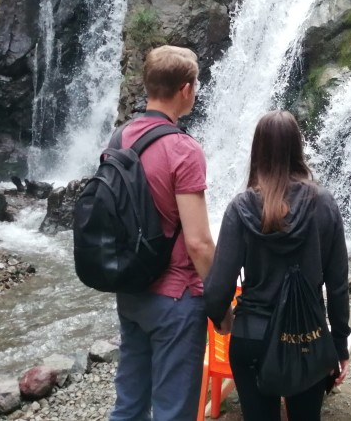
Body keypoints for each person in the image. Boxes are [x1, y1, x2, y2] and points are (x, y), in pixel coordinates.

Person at [204, 110, 351, 421]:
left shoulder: (240, 208)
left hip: (252, 336)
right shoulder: (324, 203)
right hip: (307, 337)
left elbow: (218, 287)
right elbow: (338, 284)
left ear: (257, 150)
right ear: (297, 147)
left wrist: (223, 320)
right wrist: (339, 345)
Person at [109, 46, 216, 421]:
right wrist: (219, 300)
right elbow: (199, 242)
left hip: (131, 287)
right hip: (176, 298)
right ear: (186, 89)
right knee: (173, 411)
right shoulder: (183, 150)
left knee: (129, 404)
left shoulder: (120, 138)